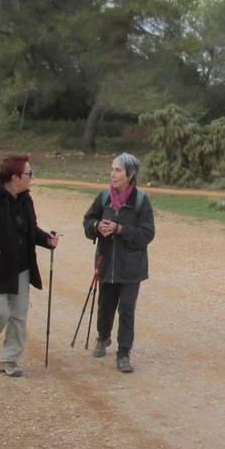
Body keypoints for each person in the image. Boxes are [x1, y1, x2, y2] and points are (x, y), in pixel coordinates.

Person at [0, 153, 59, 377]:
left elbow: (30, 230)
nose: (32, 177)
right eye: (29, 173)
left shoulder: (25, 200)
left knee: (18, 315)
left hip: (21, 267)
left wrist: (46, 239)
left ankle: (8, 359)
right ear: (15, 178)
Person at [82, 152, 155, 373]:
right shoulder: (104, 197)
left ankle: (123, 354)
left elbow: (148, 233)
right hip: (105, 262)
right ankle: (103, 337)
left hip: (131, 266)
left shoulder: (141, 200)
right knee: (105, 306)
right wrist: (97, 227)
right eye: (112, 169)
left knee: (126, 309)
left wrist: (121, 229)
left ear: (130, 174)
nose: (112, 174)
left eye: (118, 170)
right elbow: (88, 220)